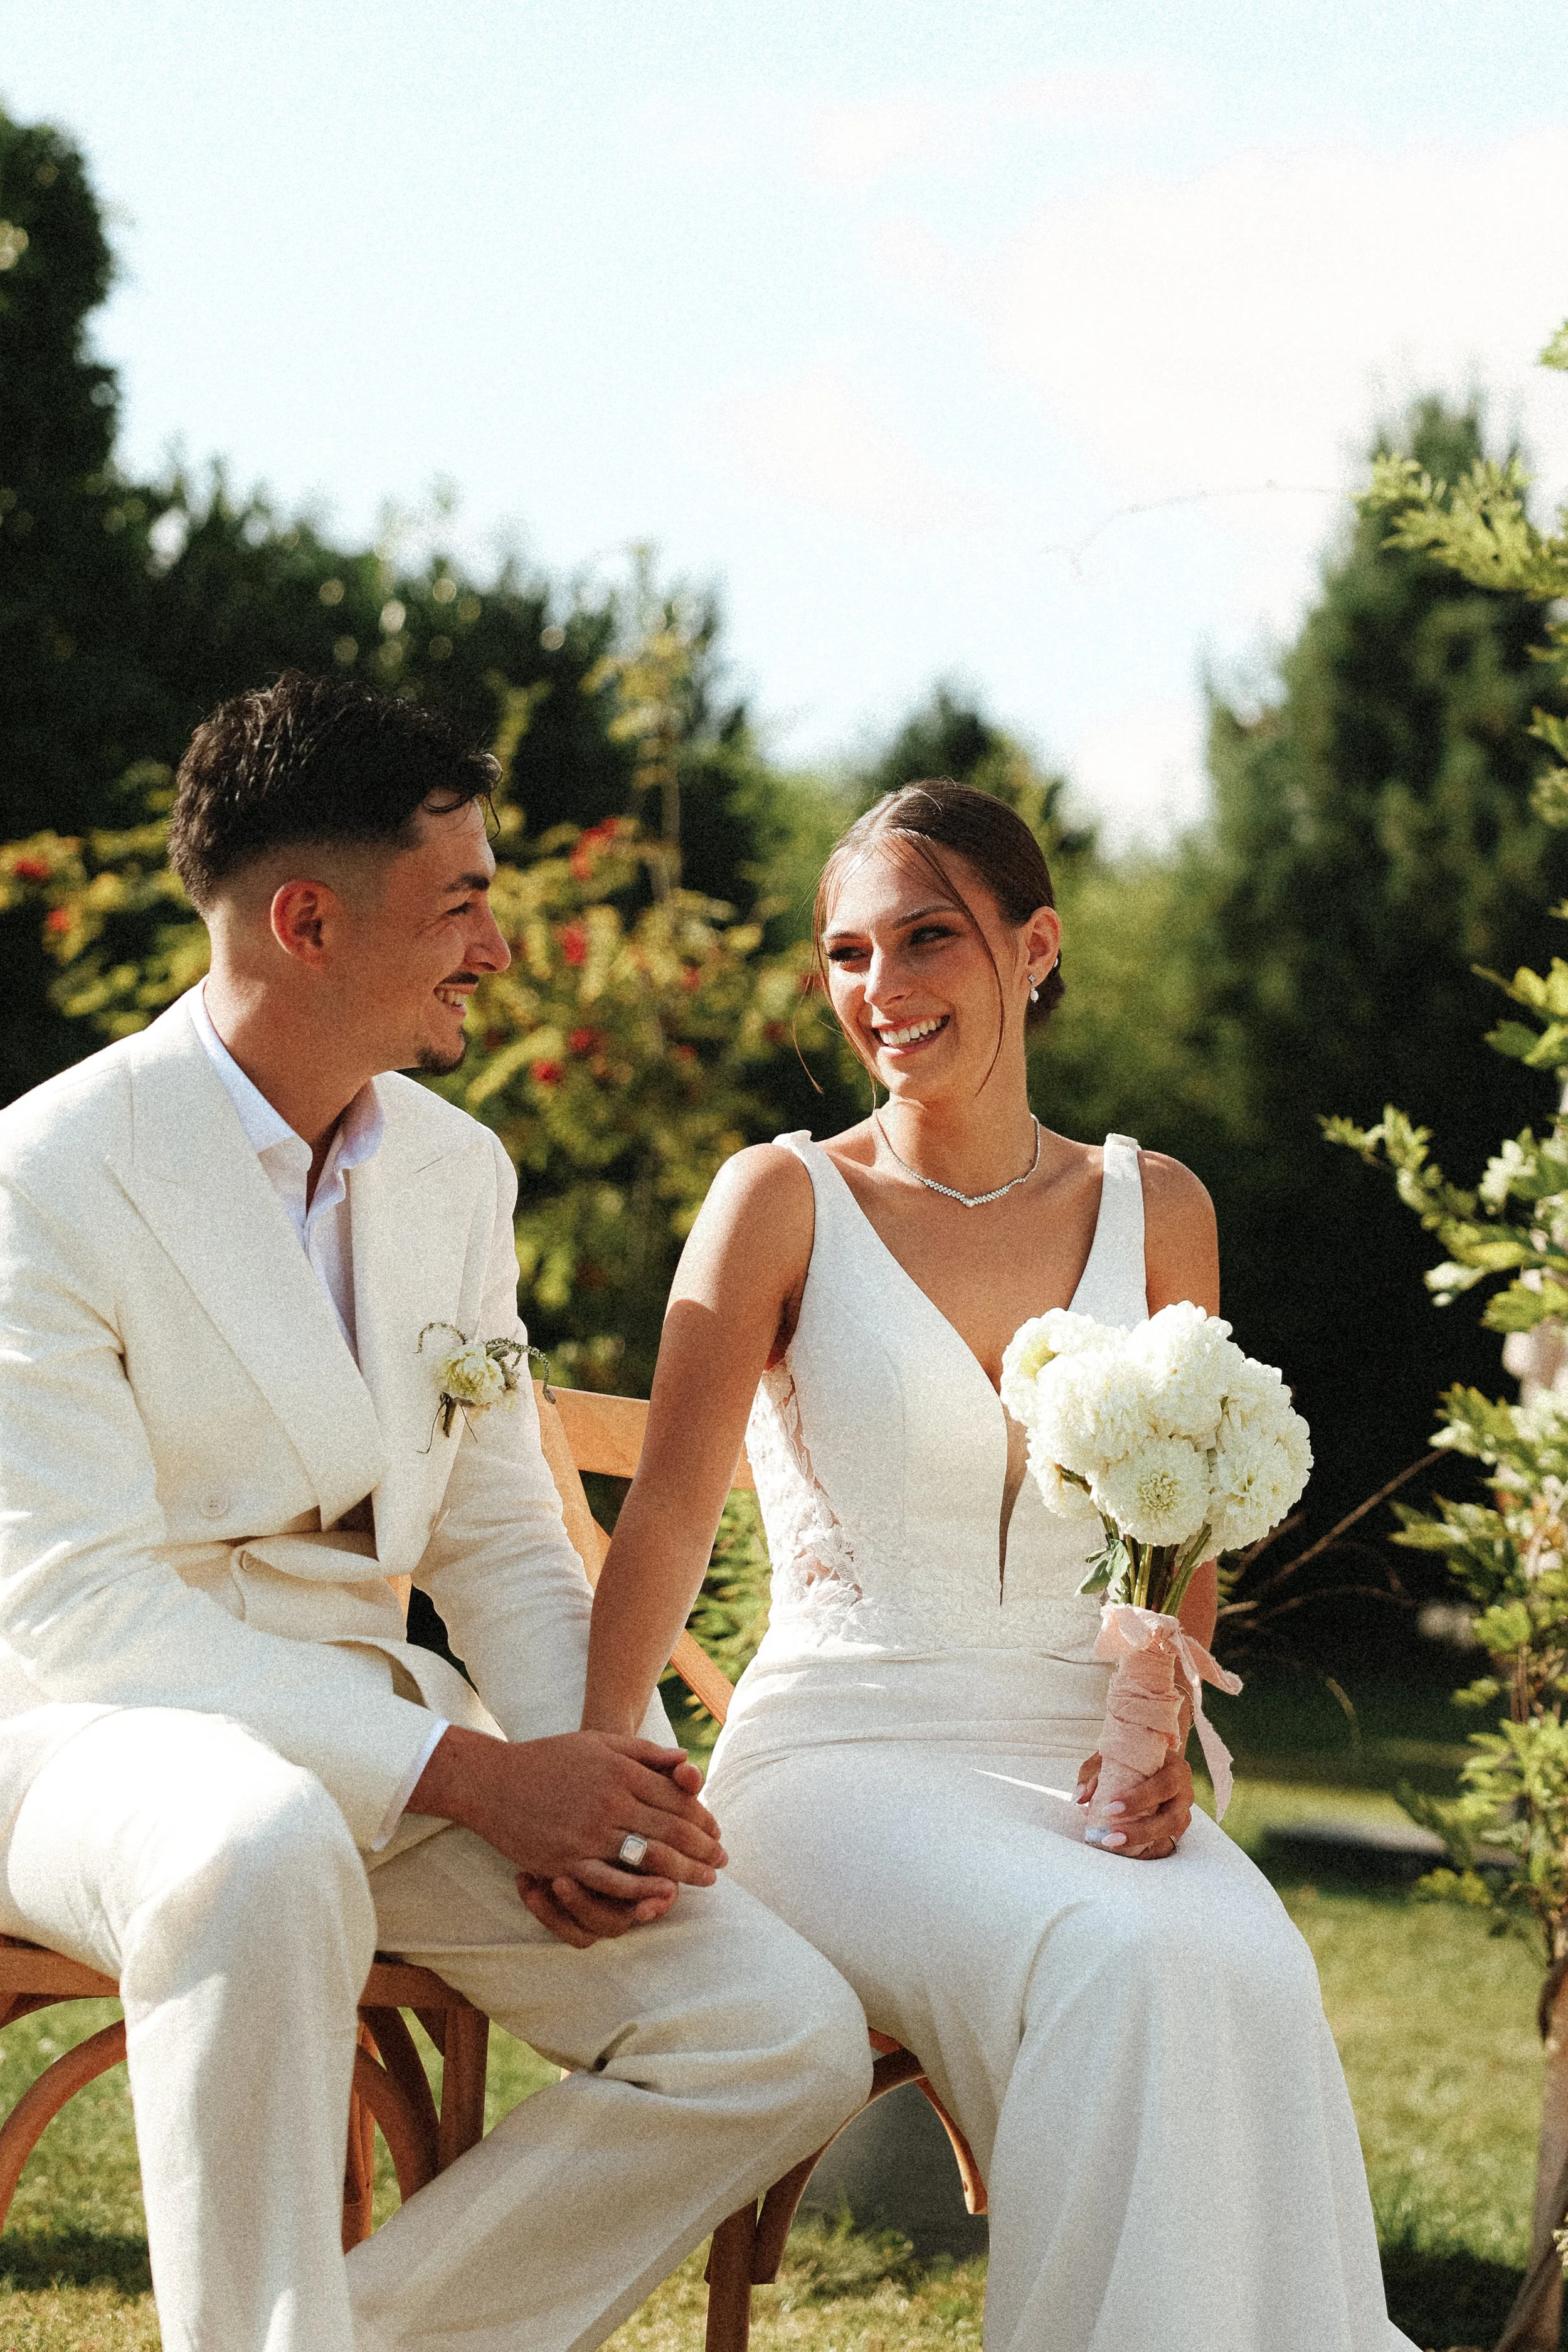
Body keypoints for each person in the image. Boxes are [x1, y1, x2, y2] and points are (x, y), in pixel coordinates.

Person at [0, 672, 871, 2352]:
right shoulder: (47, 1171)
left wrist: (586, 1780)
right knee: (254, 1842)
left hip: (396, 1757)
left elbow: (487, 1539)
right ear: (308, 918)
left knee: (778, 2028)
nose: (494, 948)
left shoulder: (459, 1170)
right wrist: (482, 1774)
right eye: (461, 901)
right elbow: (88, 1608)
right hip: (96, 1743)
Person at [583, 780, 1418, 2352]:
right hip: (839, 1760)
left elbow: (1180, 1526)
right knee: (1116, 1958)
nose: (880, 991)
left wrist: (1156, 1738)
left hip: (1071, 1752)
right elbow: (667, 1524)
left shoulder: (1152, 1205)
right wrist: (605, 1770)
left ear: (1032, 948)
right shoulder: (779, 1198)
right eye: (845, 953)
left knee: (1235, 1957)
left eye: (925, 940)